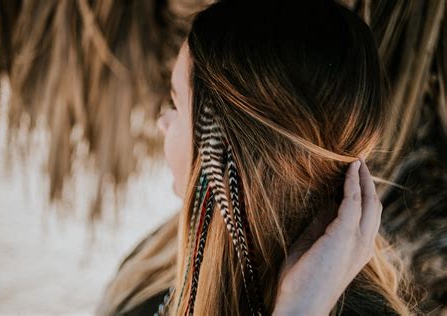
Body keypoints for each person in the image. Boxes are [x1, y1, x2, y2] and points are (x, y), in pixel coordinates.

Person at [97, 1, 415, 315]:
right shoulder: (158, 259)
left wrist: (300, 307)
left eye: (177, 105)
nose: (162, 121)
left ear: (221, 146)